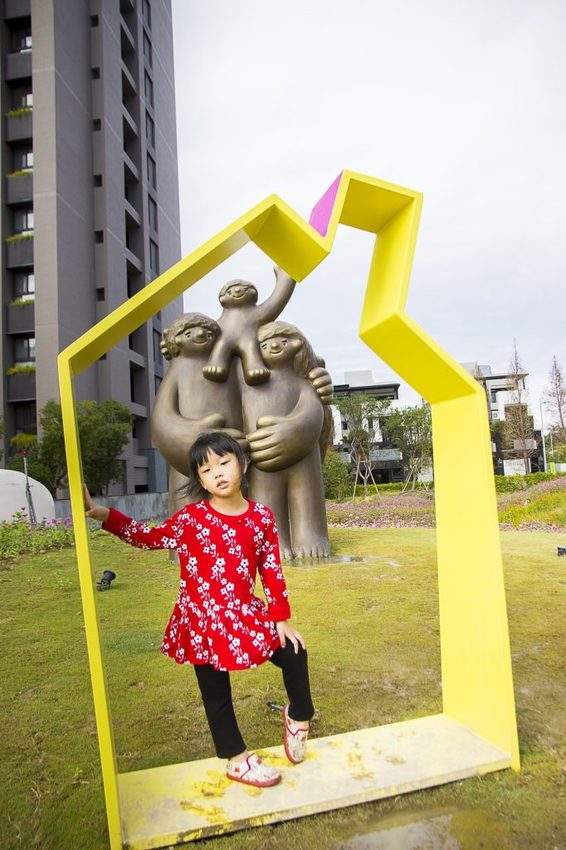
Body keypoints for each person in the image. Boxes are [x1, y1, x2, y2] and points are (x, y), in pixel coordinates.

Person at [83, 431, 314, 788]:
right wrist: (104, 515)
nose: (218, 473)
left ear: (243, 464)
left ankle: (298, 716)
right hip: (200, 620)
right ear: (200, 480)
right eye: (206, 470)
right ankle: (237, 760)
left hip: (244, 612)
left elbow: (271, 569)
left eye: (224, 462)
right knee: (216, 695)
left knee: (294, 652)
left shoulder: (261, 518)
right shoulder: (191, 519)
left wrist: (280, 617)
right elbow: (148, 537)